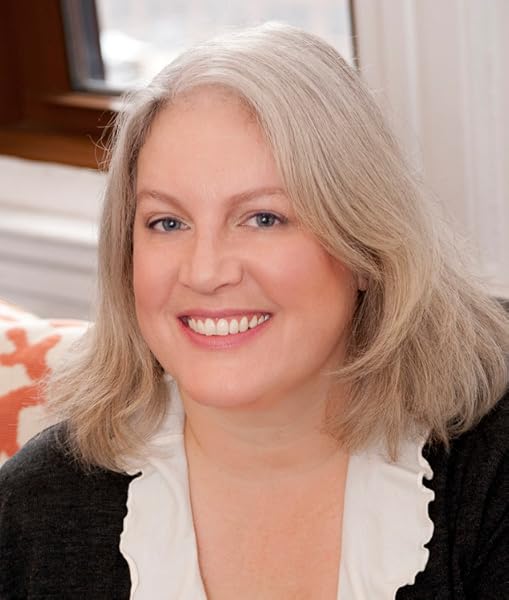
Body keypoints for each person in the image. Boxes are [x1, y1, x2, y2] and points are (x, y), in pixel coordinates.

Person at [1, 22, 508, 599]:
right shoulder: (36, 510)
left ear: (367, 249)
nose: (205, 271)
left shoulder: (490, 466)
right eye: (168, 222)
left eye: (264, 218)